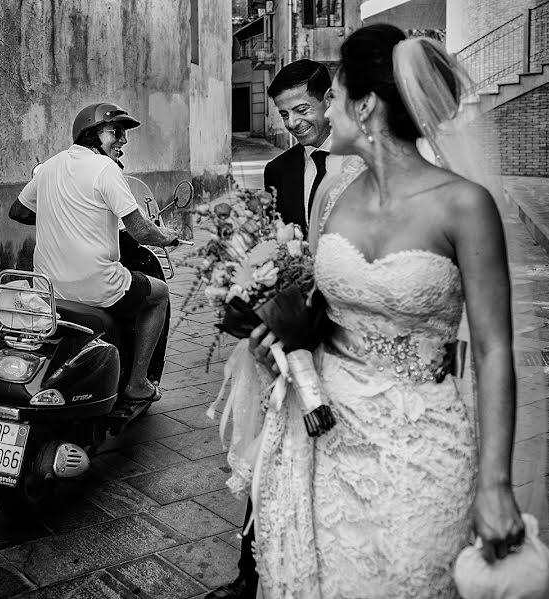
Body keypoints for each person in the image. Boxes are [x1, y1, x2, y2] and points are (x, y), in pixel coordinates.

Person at [233, 24, 527, 597]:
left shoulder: (464, 205)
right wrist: (281, 339)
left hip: (421, 437)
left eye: (335, 95)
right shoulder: (334, 197)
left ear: (364, 105)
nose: (323, 110)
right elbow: (320, 305)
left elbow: (493, 350)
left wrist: (496, 484)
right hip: (328, 434)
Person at [207, 59, 341, 599]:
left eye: (302, 109)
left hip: (342, 327)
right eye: (285, 113)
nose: (293, 123)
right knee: (271, 447)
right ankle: (252, 571)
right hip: (288, 324)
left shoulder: (362, 163)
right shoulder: (279, 169)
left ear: (329, 99)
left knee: (326, 448)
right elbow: (273, 241)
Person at [9, 102, 179, 402]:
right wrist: (165, 237)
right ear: (92, 134)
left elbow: (19, 211)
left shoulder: (49, 165)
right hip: (97, 288)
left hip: (49, 290)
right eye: (116, 132)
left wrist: (63, 214)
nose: (123, 141)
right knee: (160, 294)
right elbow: (140, 230)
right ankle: (138, 383)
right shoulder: (106, 169)